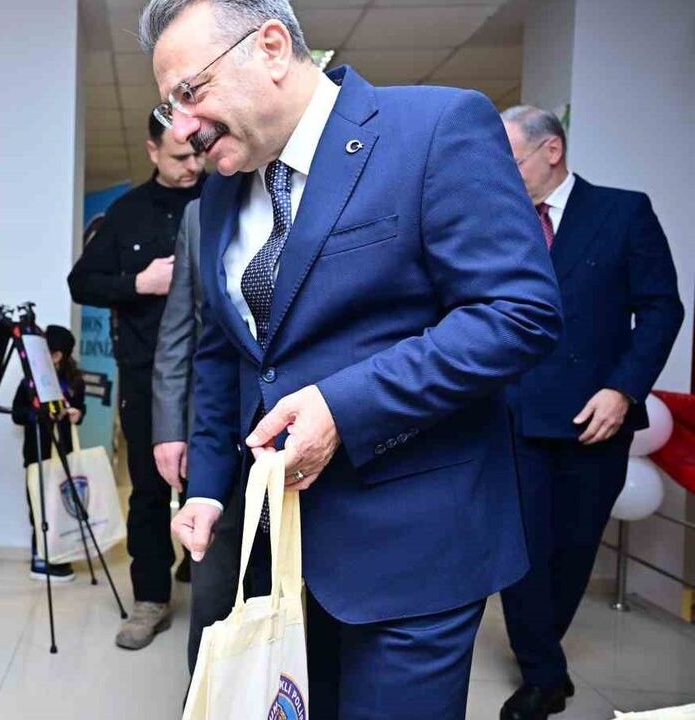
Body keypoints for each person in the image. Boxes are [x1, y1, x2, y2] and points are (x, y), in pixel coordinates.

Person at [142, 1, 564, 717]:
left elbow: (518, 314)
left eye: (190, 93)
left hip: (413, 551)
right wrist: (210, 486)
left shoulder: (433, 129)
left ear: (271, 48)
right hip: (278, 554)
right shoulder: (217, 196)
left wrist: (344, 406)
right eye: (168, 105)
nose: (181, 127)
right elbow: (226, 353)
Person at [497, 106, 683, 720]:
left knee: (573, 549)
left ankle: (543, 662)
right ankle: (545, 676)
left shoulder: (622, 212)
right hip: (515, 415)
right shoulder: (499, 220)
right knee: (521, 550)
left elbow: (661, 309)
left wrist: (624, 389)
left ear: (551, 150)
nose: (504, 169)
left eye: (513, 156)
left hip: (595, 415)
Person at [66, 112, 206, 650]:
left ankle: (211, 588)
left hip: (212, 371)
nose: (193, 165)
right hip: (146, 373)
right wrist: (138, 282)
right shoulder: (127, 213)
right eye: (178, 156)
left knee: (214, 484)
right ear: (152, 151)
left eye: (197, 152)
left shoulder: (221, 196)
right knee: (149, 490)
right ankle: (150, 599)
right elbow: (81, 282)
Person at [150, 197, 241, 673]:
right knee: (214, 588)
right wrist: (168, 427)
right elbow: (179, 327)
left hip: (307, 428)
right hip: (215, 432)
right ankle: (205, 699)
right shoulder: (199, 214)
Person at [11, 325, 86, 582]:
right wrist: (39, 415)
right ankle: (40, 557)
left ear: (56, 356)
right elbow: (17, 414)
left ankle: (59, 554)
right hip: (37, 455)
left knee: (60, 506)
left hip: (63, 456)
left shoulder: (75, 383)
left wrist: (75, 413)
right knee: (38, 506)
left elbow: (81, 410)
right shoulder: (29, 383)